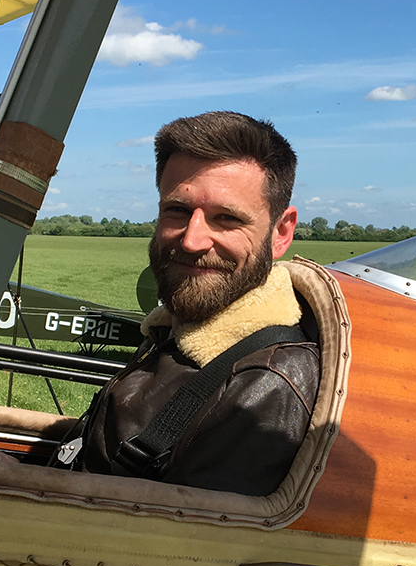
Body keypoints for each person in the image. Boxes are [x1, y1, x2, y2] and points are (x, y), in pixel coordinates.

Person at [56, 111, 320, 496]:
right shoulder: (178, 329)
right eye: (177, 210)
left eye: (226, 218)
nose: (192, 240)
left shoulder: (264, 388)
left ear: (281, 233)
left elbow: (166, 549)